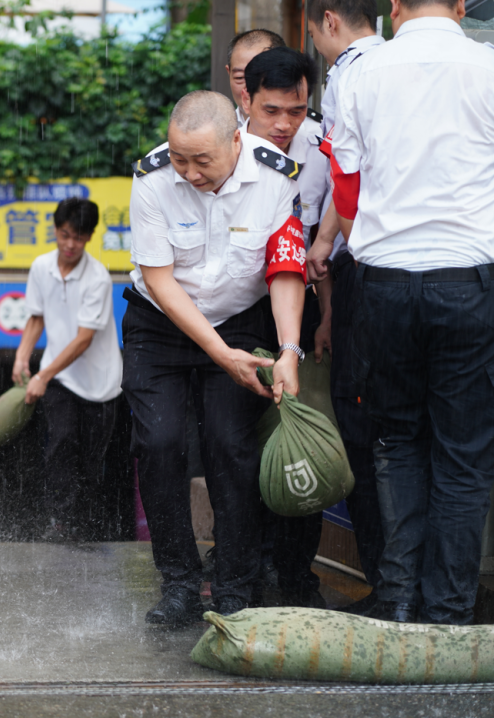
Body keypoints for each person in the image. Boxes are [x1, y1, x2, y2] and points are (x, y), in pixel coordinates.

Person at [323, 0, 494, 625]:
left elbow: (346, 188)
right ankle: (447, 611)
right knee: (463, 452)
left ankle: (396, 601)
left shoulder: (359, 72)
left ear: (394, 8)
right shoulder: (488, 66)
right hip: (469, 282)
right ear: (459, 7)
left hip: (383, 284)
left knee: (395, 443)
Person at [124, 90, 306, 626]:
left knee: (231, 446)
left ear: (236, 140)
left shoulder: (276, 176)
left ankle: (234, 583)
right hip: (161, 325)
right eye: (180, 158)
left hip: (242, 320)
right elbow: (159, 278)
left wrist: (289, 348)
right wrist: (218, 353)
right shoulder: (153, 178)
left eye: (202, 160)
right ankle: (179, 581)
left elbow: (285, 265)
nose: (189, 171)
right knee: (159, 443)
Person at [304, 0, 386, 617]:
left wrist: (333, 243)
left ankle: (390, 583)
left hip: (377, 271)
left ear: (329, 21)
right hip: (459, 270)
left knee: (369, 431)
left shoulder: (349, 76)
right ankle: (434, 590)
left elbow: (345, 178)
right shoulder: (403, 64)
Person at [241, 46, 331, 609]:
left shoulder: (323, 150)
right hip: (239, 311)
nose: (284, 124)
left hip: (304, 307)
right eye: (272, 110)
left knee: (302, 434)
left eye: (295, 111)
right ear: (244, 100)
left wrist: (326, 323)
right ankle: (244, 570)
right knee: (237, 444)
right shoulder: (219, 147)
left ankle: (298, 574)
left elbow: (326, 238)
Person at [12, 197, 123, 541]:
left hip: (100, 384)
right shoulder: (41, 267)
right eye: (64, 235)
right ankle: (61, 523)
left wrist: (42, 376)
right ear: (55, 231)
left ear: (89, 237)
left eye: (79, 237)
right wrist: (22, 357)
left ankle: (87, 529)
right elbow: (36, 317)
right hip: (60, 377)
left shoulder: (98, 278)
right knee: (60, 445)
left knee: (91, 461)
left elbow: (83, 339)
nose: (70, 244)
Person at [224, 29, 286, 124]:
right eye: (240, 78)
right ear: (229, 74)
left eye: (260, 76)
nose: (249, 87)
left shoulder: (312, 134)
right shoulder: (218, 133)